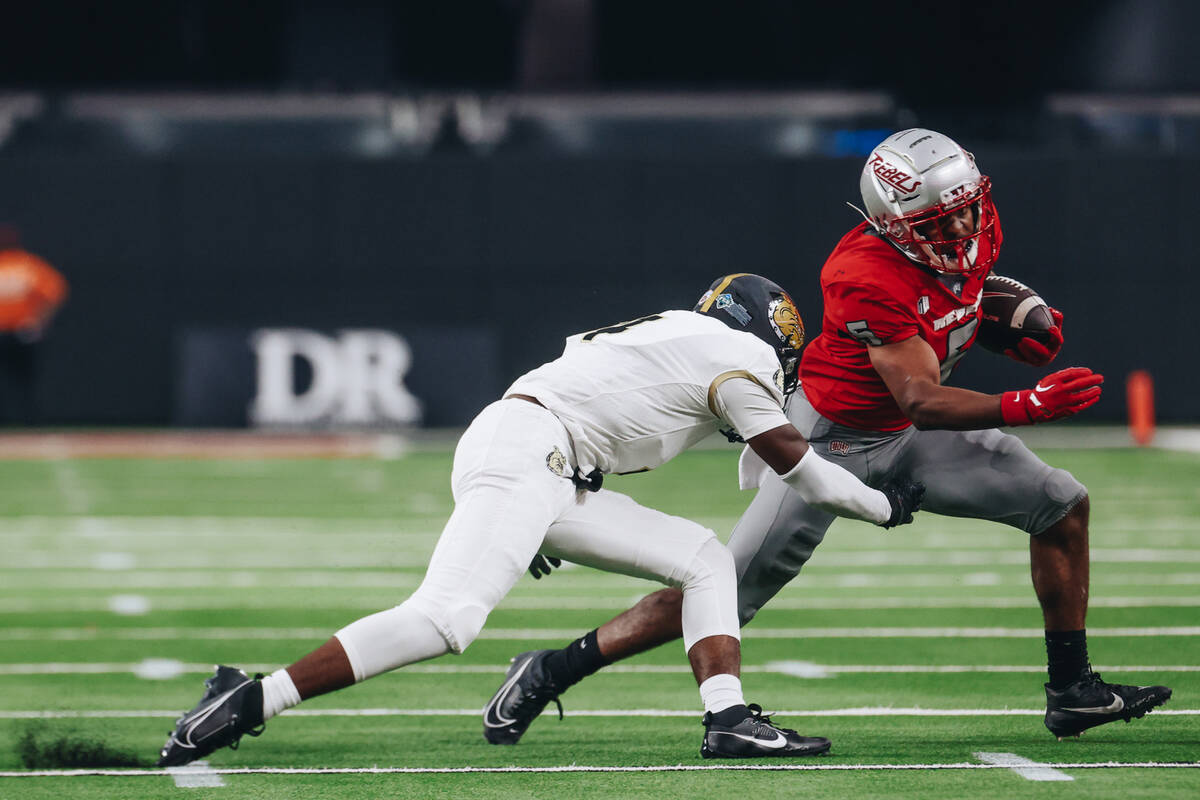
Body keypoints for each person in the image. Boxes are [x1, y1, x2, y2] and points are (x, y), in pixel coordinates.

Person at [482, 128, 1172, 747]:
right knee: (725, 591)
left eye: (967, 206)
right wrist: (1025, 403)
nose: (964, 225)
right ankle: (548, 670)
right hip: (829, 438)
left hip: (905, 432)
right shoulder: (861, 273)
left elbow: (958, 292)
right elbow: (923, 397)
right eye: (941, 218)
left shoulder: (973, 232)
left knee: (1060, 503)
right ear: (892, 221)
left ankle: (1073, 691)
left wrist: (1001, 315)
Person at [157, 273, 925, 766]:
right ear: (772, 340)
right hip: (532, 454)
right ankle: (252, 697)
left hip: (548, 460)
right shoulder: (742, 358)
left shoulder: (679, 335)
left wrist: (541, 508)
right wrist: (882, 506)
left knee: (703, 559)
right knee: (447, 618)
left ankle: (727, 720)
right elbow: (798, 466)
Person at [0, 241, 68, 425]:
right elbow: (55, 291)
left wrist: (37, 322)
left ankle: (24, 422)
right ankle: (22, 422)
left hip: (20, 332)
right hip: (18, 332)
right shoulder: (27, 265)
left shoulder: (26, 265)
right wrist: (39, 321)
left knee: (22, 380)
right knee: (21, 381)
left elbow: (54, 291)